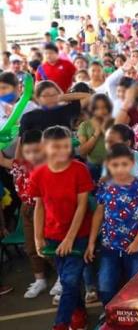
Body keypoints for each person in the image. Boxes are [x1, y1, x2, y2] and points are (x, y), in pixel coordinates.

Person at [30, 126, 94, 330]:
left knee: (69, 280)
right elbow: (39, 207)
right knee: (70, 281)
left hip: (79, 235)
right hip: (52, 235)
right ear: (45, 147)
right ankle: (79, 311)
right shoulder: (38, 173)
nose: (62, 151)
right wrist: (38, 237)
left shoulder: (79, 169)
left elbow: (82, 206)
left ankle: (61, 323)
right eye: (56, 147)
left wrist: (70, 238)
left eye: (66, 146)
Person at [85, 144, 138, 307]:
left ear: (132, 164)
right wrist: (92, 242)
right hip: (109, 245)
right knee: (106, 286)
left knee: (136, 285)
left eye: (124, 164)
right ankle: (108, 316)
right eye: (115, 165)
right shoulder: (105, 186)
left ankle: (135, 316)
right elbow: (99, 213)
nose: (120, 169)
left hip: (134, 246)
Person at [0, 130, 46, 298]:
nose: (32, 155)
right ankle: (39, 279)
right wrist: (19, 135)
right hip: (26, 209)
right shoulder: (20, 166)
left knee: (47, 246)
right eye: (28, 151)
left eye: (36, 151)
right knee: (31, 247)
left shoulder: (46, 167)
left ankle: (61, 280)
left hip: (43, 209)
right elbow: (3, 159)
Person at [77, 94, 113, 181]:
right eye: (97, 108)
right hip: (93, 166)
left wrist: (104, 129)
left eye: (104, 107)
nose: (101, 111)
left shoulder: (114, 122)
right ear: (92, 110)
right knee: (94, 192)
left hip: (112, 165)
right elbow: (82, 152)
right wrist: (96, 133)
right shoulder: (85, 125)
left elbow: (119, 147)